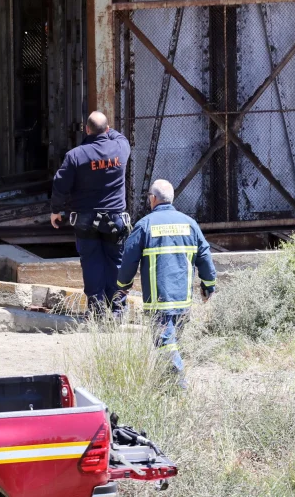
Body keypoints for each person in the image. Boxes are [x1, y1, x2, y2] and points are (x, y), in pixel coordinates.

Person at [117, 179, 215, 388]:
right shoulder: (190, 224)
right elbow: (205, 257)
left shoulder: (145, 225)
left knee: (165, 345)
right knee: (171, 344)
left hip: (159, 301)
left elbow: (128, 260)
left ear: (153, 199)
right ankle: (166, 387)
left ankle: (180, 389)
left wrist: (122, 285)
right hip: (183, 301)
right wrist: (208, 285)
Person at [49, 111, 132, 316]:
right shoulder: (121, 148)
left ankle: (96, 312)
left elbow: (60, 185)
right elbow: (117, 135)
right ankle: (117, 311)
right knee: (116, 263)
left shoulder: (76, 155)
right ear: (108, 129)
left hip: (85, 219)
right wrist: (105, 131)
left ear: (86, 129)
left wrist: (55, 210)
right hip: (115, 218)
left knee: (92, 263)